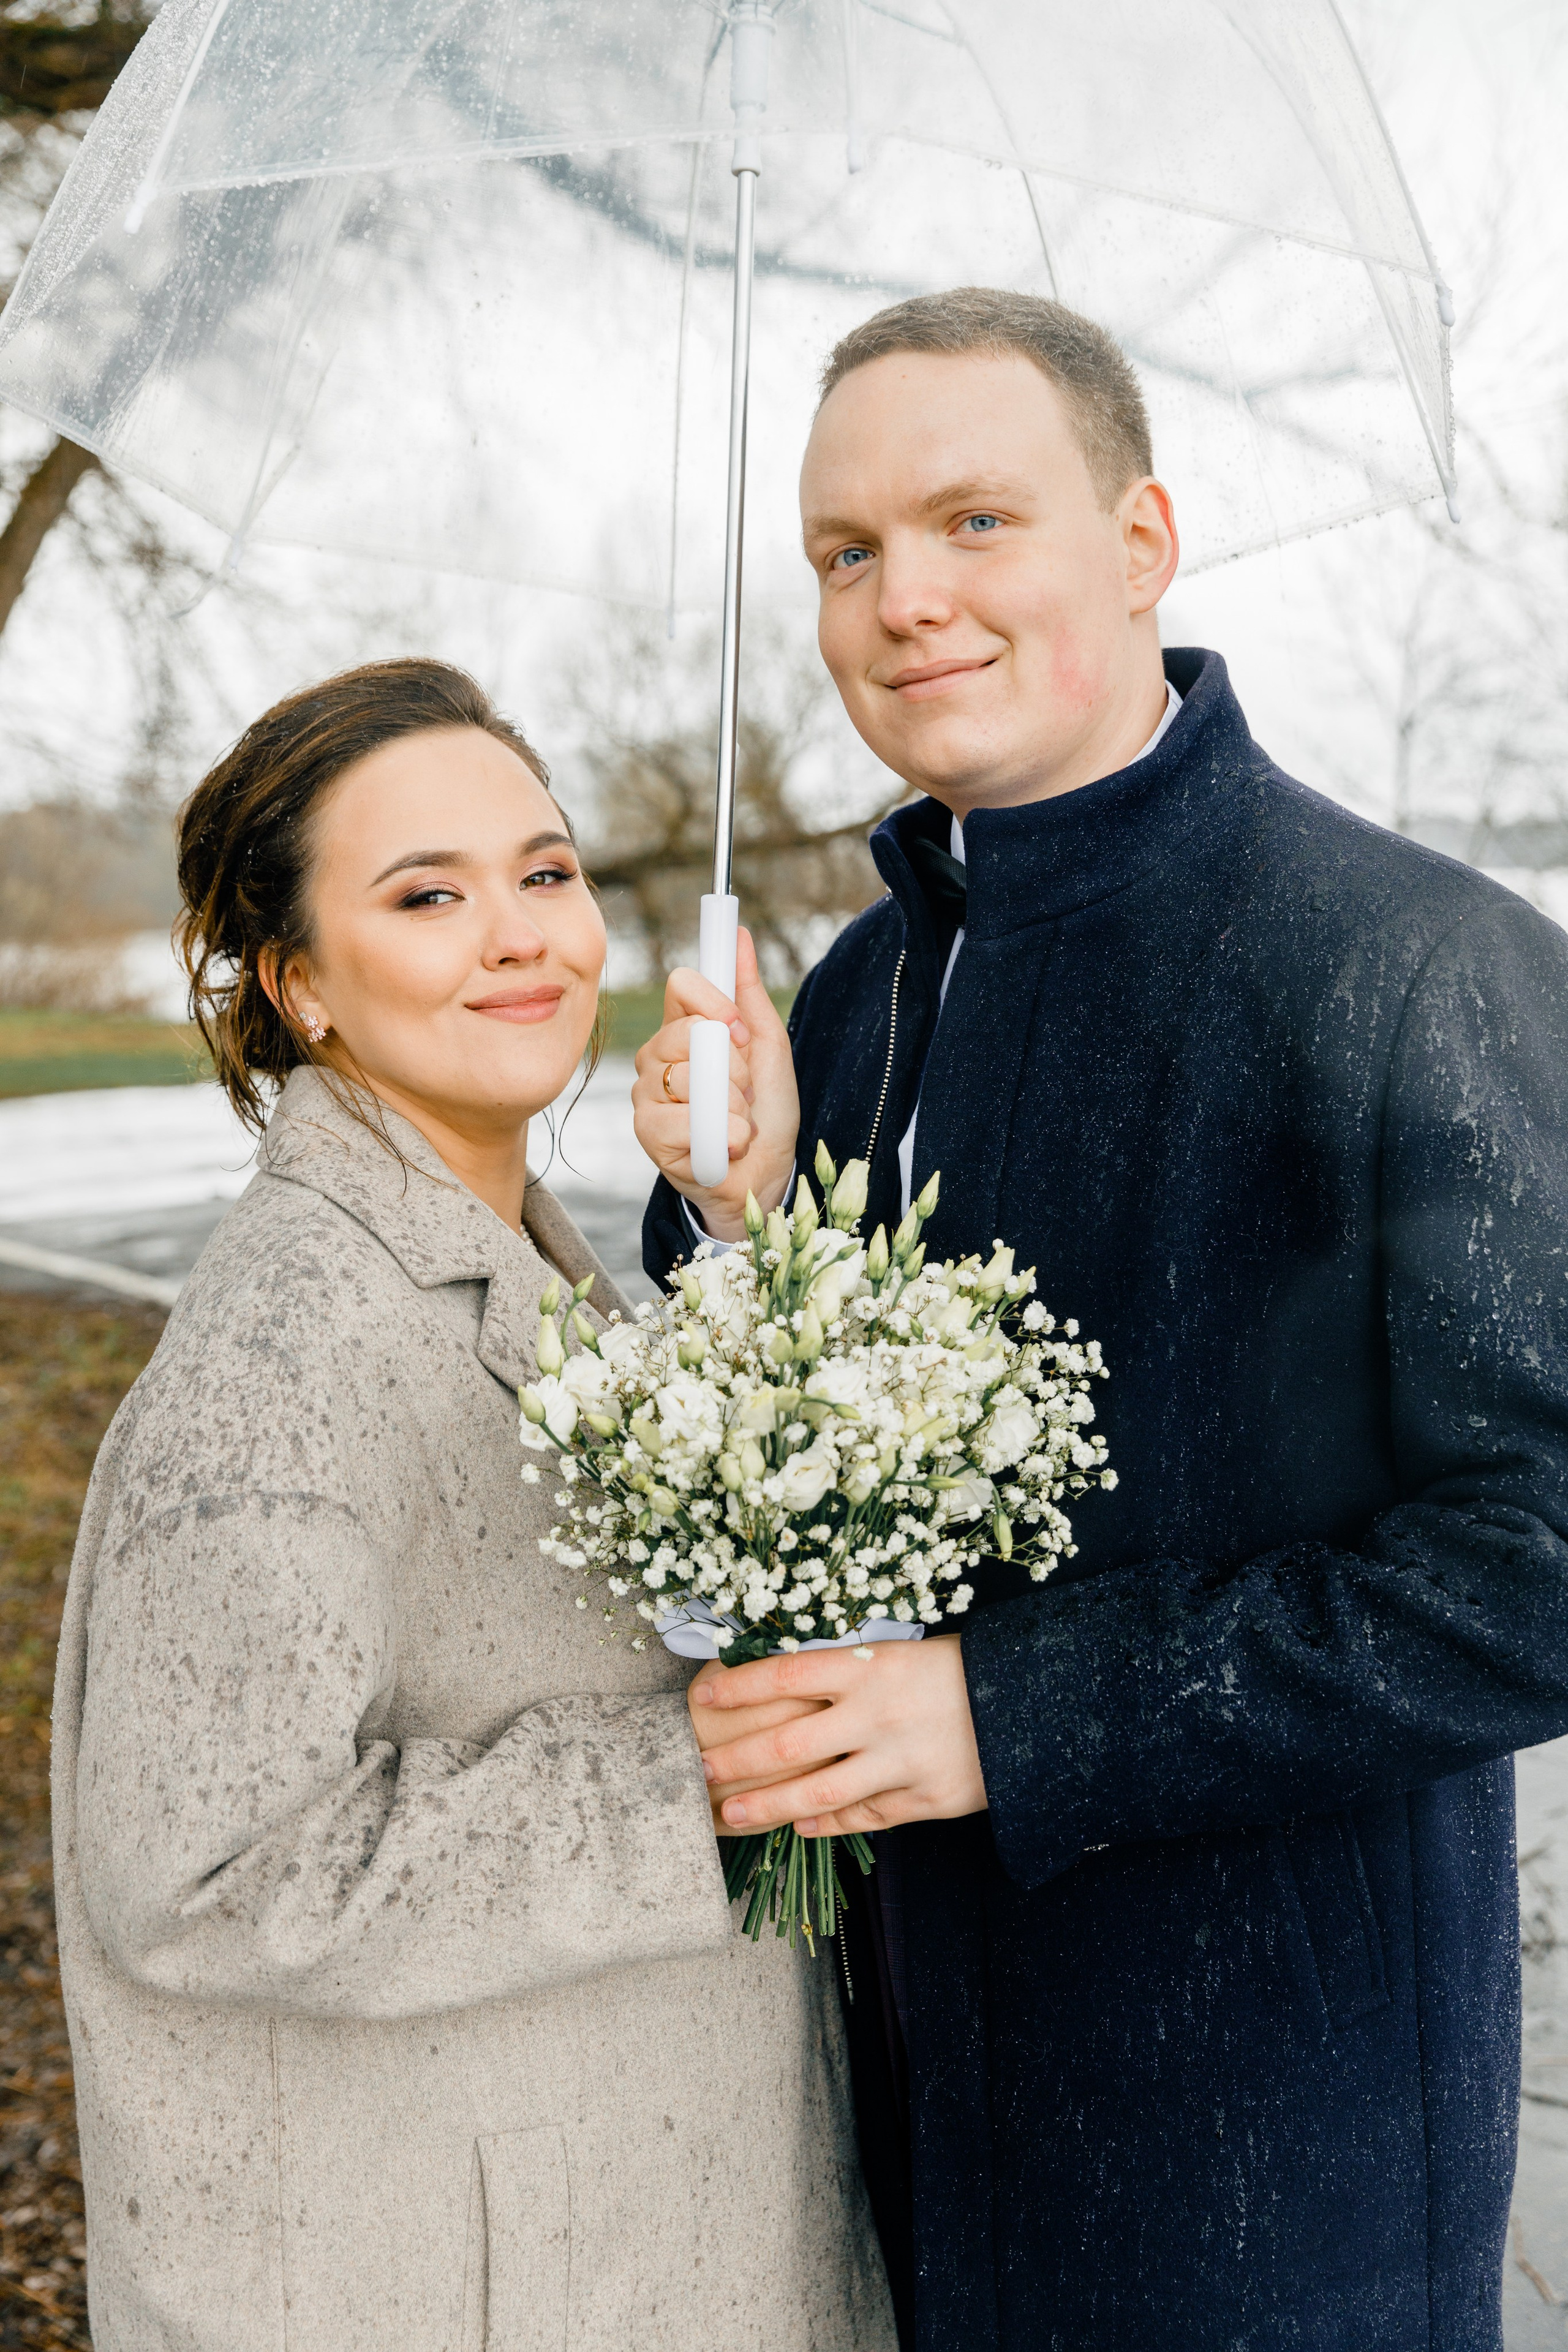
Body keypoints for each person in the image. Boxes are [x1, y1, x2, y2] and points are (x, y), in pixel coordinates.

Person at [635, 289, 1568, 2351]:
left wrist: (1012, 1712)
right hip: (911, 2118)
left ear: (1142, 542)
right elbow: (777, 1499)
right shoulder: (851, 994)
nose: (904, 601)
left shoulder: (1415, 966)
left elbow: (1548, 1561)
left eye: (977, 521)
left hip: (1275, 2170)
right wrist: (739, 1209)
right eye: (847, 553)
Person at [53, 659, 895, 2352]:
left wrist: (740, 1225)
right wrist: (698, 1781)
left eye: (547, 870)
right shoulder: (280, 1362)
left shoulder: (508, 1270)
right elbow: (207, 1872)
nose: (524, 935)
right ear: (300, 986)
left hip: (633, 2229)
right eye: (428, 896)